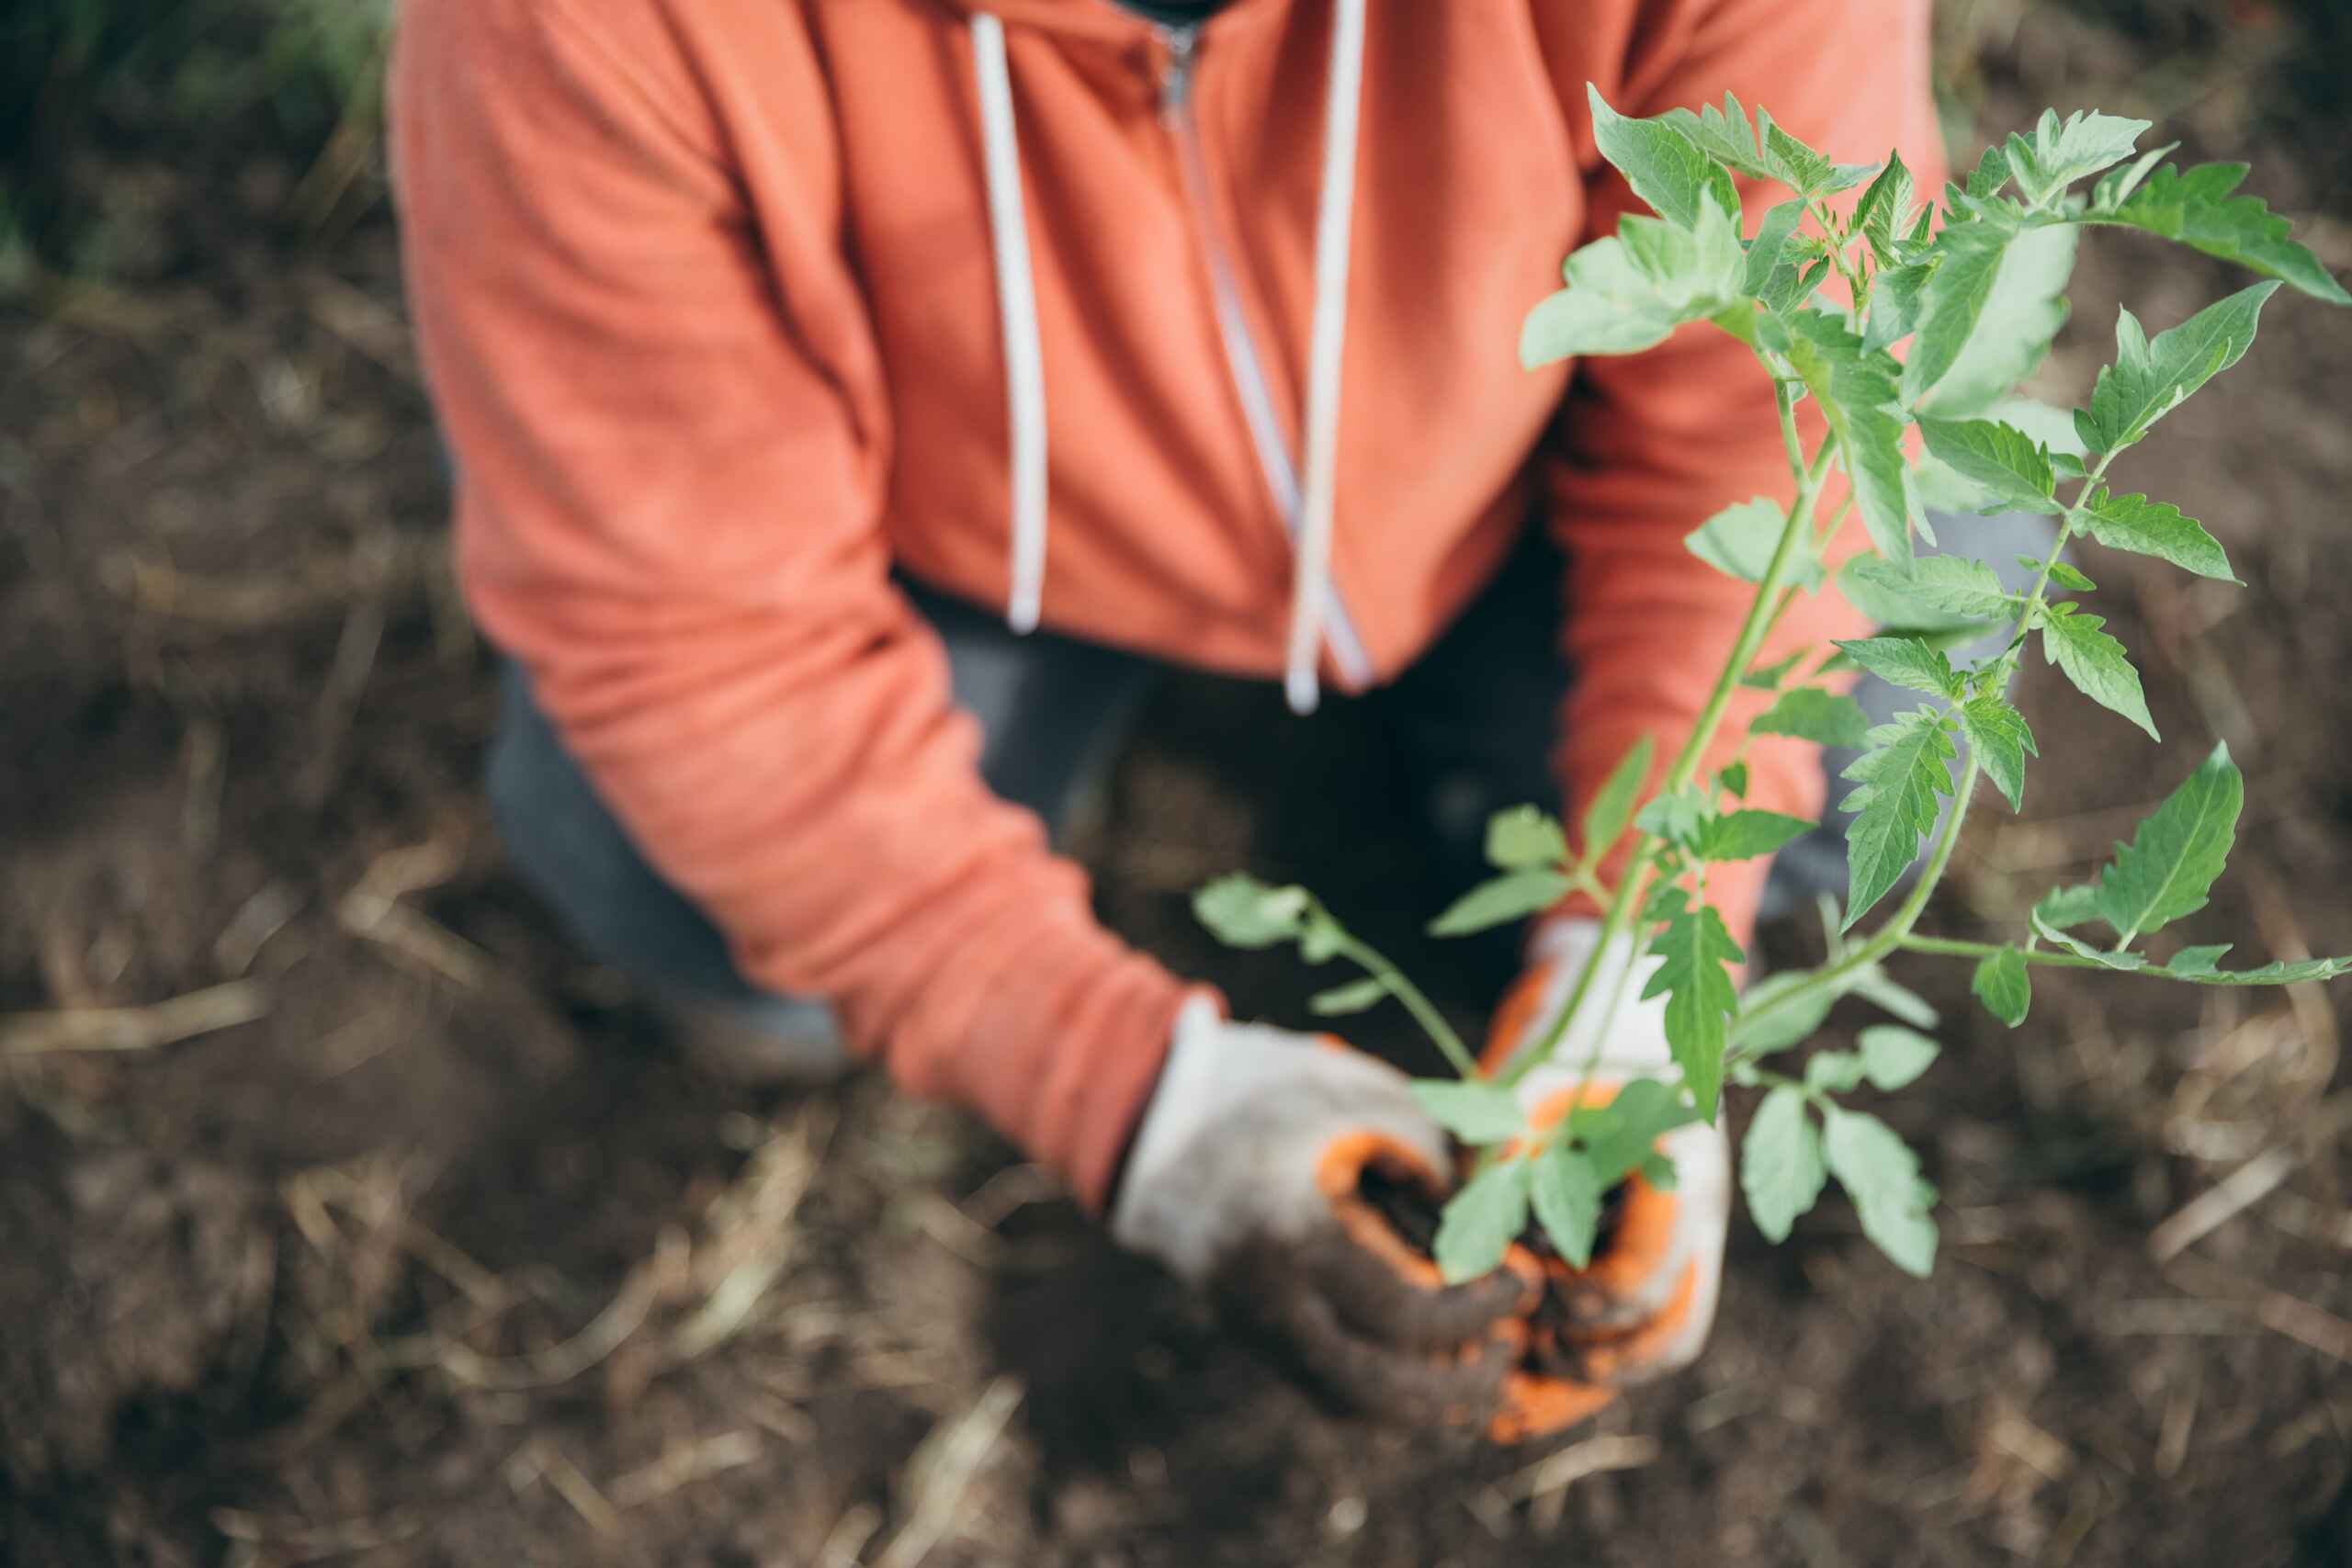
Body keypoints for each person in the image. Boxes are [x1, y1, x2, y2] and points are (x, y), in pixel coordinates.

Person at [388, 0, 1941, 1439]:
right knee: (689, 891)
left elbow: (1769, 428)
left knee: (1902, 666)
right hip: (978, 525)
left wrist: (1644, 958)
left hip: (1523, 453)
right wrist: (1143, 1103)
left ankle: (1499, 774)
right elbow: (694, 638)